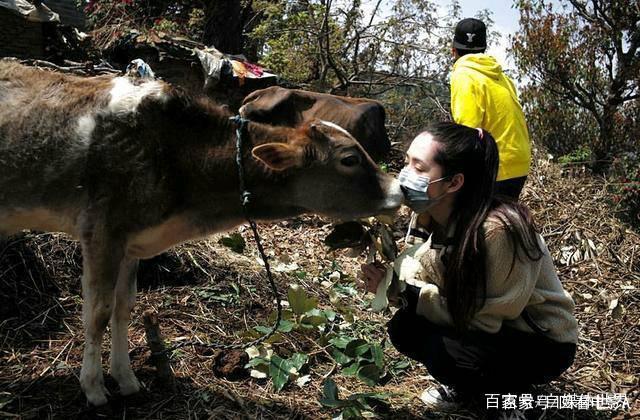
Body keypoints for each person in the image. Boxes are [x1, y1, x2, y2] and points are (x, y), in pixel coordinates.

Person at [361, 122, 577, 416]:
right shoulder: (429, 217)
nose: (406, 174)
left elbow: (484, 319)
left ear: (454, 182)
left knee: (448, 352)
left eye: (420, 167)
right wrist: (392, 286)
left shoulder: (499, 230)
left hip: (539, 342)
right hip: (485, 327)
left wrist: (410, 295)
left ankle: (514, 401)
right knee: (405, 328)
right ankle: (473, 388)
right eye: (407, 162)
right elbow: (429, 280)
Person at [450, 18, 531, 200]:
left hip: (496, 169)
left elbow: (467, 131)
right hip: (519, 163)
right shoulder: (501, 76)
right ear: (484, 49)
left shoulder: (463, 74)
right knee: (501, 218)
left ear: (453, 50)